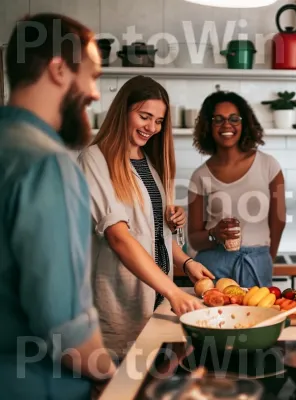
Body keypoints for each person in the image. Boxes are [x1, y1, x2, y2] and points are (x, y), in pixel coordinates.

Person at [0, 13, 116, 399]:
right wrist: (115, 377)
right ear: (58, 69)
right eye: (94, 76)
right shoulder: (47, 164)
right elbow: (66, 330)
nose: (97, 94)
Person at [78, 75, 213, 360]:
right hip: (120, 303)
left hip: (159, 303)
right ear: (122, 111)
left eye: (159, 121)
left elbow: (153, 235)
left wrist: (186, 262)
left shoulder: (150, 163)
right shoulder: (94, 159)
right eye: (144, 116)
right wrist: (175, 292)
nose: (152, 127)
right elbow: (119, 237)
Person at [188, 90, 286, 288]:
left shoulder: (268, 165)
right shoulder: (200, 176)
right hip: (212, 264)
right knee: (212, 318)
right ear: (209, 125)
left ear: (244, 123)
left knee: (259, 317)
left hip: (256, 262)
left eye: (234, 118)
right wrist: (215, 234)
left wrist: (266, 257)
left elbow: (278, 220)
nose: (227, 125)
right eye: (218, 119)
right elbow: (194, 239)